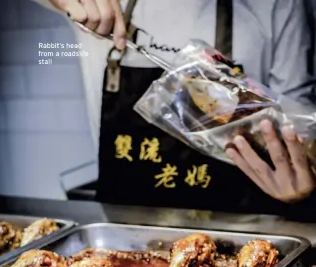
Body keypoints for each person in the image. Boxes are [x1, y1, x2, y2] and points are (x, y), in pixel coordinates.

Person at [32, 0, 316, 215]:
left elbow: (302, 128)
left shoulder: (277, 5)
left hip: (240, 233)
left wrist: (302, 184)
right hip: (122, 238)